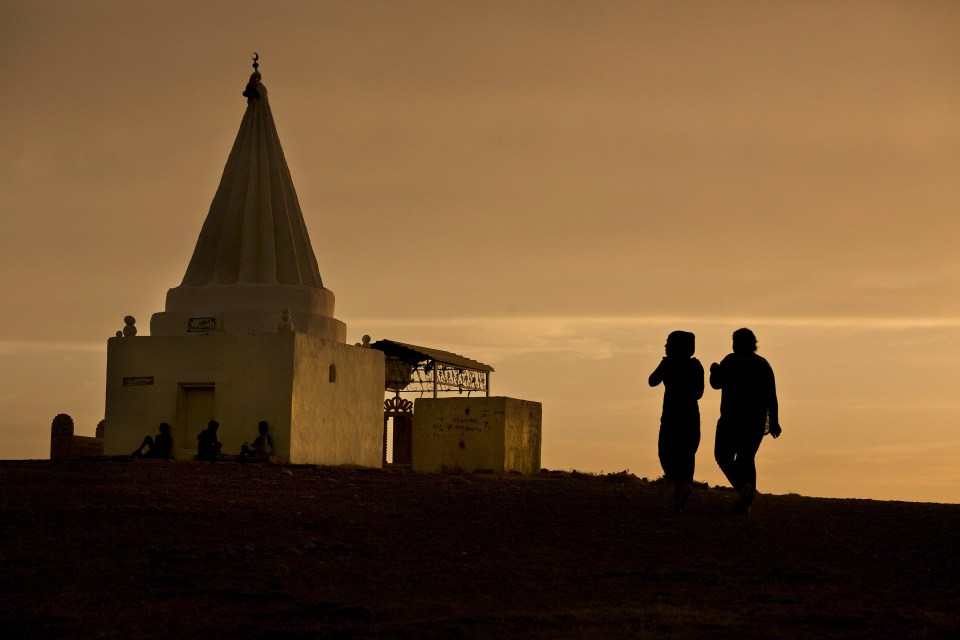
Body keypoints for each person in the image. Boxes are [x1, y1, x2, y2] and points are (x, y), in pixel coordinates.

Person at [710, 328, 782, 515]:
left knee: (722, 456)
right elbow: (771, 396)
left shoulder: (730, 361)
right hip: (755, 422)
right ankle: (747, 500)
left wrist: (714, 369)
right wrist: (774, 421)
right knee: (747, 458)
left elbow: (716, 383)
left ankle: (743, 488)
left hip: (730, 419)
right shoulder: (762, 364)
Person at [649, 330, 704, 512]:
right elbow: (699, 393)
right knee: (687, 453)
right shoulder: (696, 366)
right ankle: (683, 487)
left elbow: (652, 381)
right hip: (690, 414)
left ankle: (680, 486)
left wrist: (665, 367)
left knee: (666, 452)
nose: (665, 346)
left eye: (668, 343)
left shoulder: (668, 364)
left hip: (671, 415)